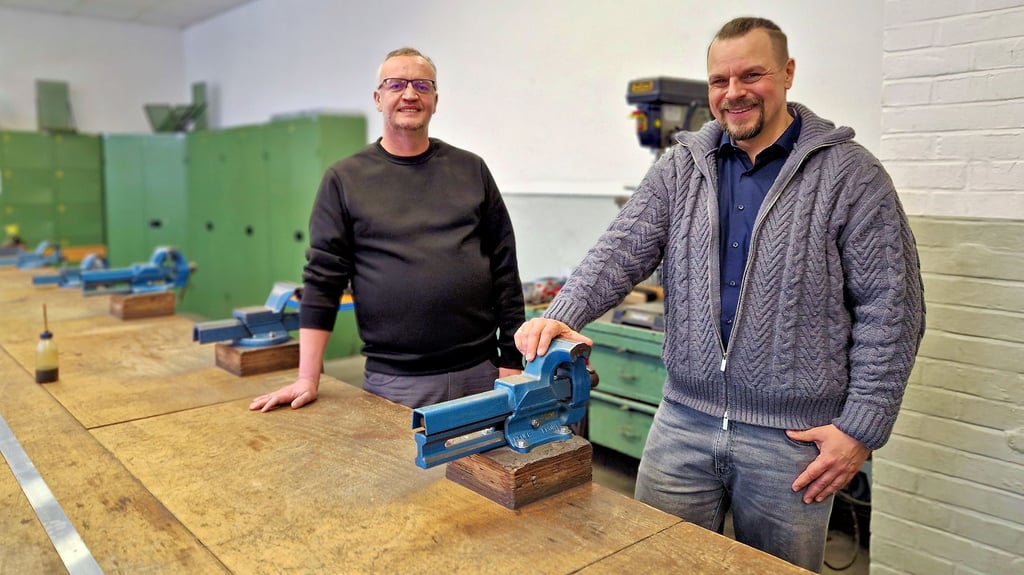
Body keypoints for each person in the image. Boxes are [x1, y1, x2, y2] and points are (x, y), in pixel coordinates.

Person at [514, 17, 925, 573]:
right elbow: (622, 247)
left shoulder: (850, 175)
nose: (733, 93)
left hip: (792, 441)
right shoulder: (682, 166)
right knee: (660, 564)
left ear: (787, 73)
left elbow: (893, 309)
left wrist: (860, 430)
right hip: (683, 419)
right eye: (719, 81)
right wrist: (561, 315)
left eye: (751, 74)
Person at [251, 47, 524, 411]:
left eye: (422, 86)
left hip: (483, 372)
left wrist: (511, 360)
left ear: (435, 100)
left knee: (485, 469)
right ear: (378, 98)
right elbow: (323, 282)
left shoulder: (471, 169)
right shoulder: (345, 179)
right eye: (396, 84)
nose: (410, 94)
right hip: (396, 382)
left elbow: (504, 267)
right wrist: (307, 377)